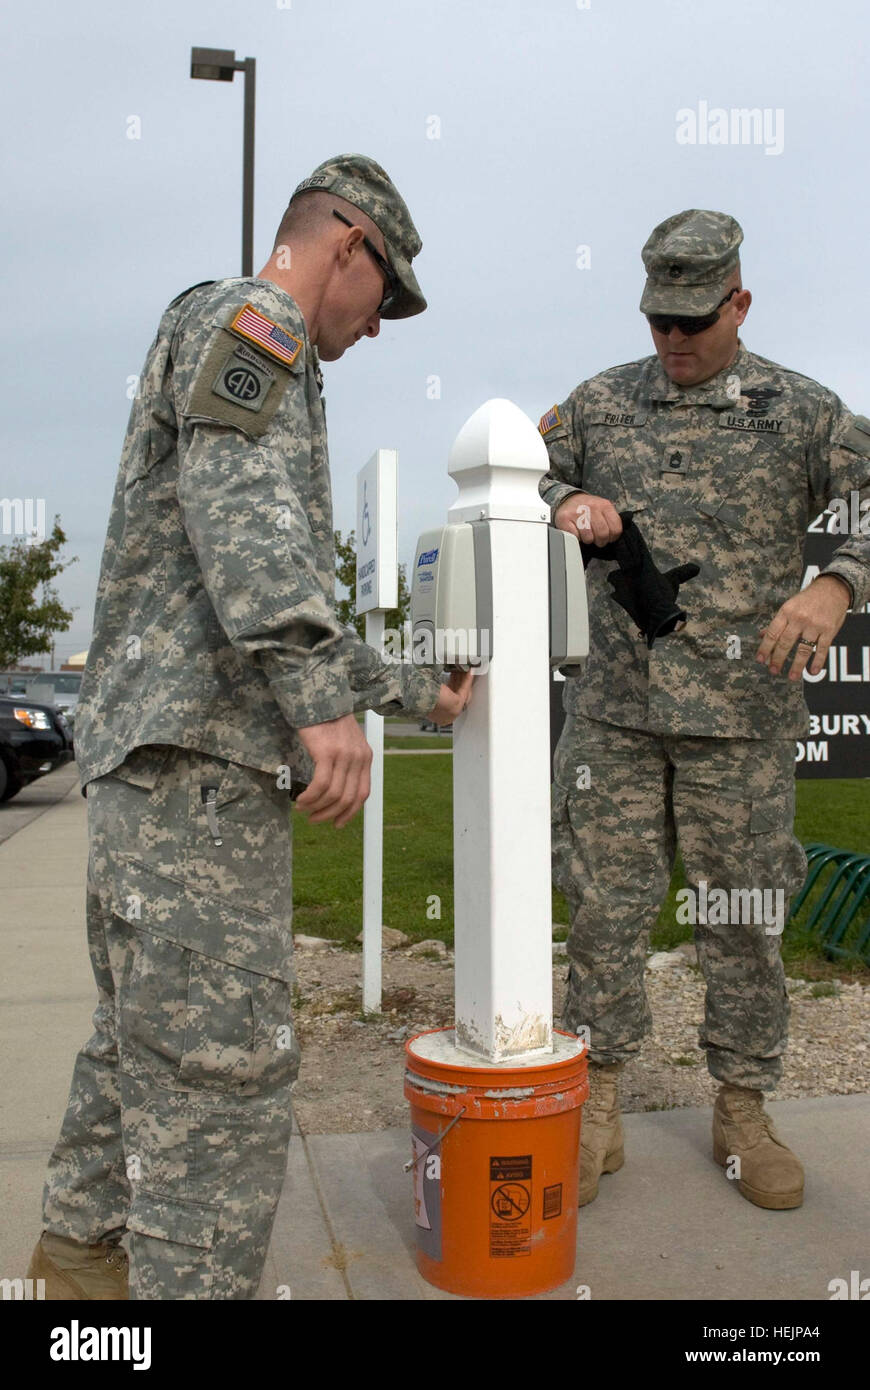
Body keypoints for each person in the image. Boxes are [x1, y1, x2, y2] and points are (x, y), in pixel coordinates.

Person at [28, 154, 471, 1300]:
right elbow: (250, 527)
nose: (380, 330)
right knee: (221, 1086)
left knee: (139, 1050)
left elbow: (234, 576)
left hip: (161, 766)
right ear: (346, 246)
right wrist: (323, 702)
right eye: (388, 297)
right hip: (199, 778)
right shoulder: (255, 319)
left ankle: (78, 1269)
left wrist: (419, 690)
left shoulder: (228, 333)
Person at [538, 209, 870, 1211]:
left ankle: (741, 1104)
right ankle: (595, 1104)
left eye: (694, 322)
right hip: (618, 717)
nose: (675, 343)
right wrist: (562, 500)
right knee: (604, 912)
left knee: (744, 917)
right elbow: (527, 467)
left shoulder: (802, 410)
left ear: (739, 302)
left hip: (744, 720)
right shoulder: (598, 403)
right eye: (659, 323)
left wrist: (838, 583)